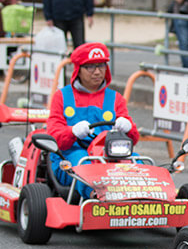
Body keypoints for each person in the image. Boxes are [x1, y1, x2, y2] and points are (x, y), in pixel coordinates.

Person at [46, 42, 140, 198]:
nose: (97, 72)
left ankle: (145, 196)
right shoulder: (62, 96)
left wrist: (128, 128)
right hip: (70, 155)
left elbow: (133, 139)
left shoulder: (115, 98)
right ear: (78, 70)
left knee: (136, 161)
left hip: (110, 154)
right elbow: (54, 136)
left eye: (101, 66)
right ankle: (97, 197)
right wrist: (72, 131)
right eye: (90, 67)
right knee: (82, 163)